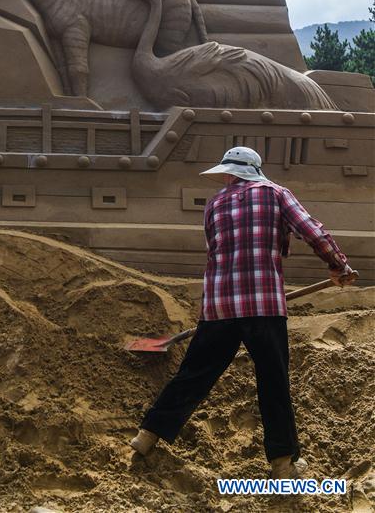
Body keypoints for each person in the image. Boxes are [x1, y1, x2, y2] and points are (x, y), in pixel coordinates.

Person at [130, 146, 357, 476]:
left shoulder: (214, 204)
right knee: (273, 382)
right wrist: (340, 265)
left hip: (219, 306)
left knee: (193, 376)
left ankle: (146, 435)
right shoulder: (277, 194)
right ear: (255, 171)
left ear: (229, 173)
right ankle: (283, 463)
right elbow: (313, 232)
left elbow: (215, 253)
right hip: (263, 305)